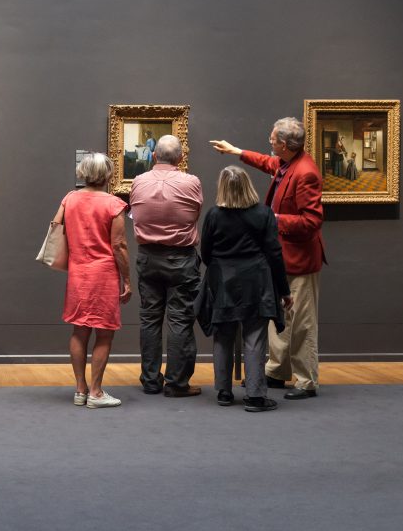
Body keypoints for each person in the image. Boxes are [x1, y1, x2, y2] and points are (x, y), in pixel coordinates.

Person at [211, 117, 325, 400]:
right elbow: (267, 162)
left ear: (284, 144)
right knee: (279, 318)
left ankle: (306, 381)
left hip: (299, 259)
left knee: (301, 323)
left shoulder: (305, 172)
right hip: (280, 257)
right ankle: (276, 371)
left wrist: (271, 220)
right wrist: (236, 151)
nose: (269, 143)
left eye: (272, 140)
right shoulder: (287, 163)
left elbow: (311, 221)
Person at [199, 166, 292, 412]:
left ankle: (224, 391)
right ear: (248, 185)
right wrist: (284, 290)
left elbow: (205, 253)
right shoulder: (264, 214)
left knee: (223, 336)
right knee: (255, 338)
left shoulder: (213, 215)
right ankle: (255, 396)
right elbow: (274, 253)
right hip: (256, 282)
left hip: (223, 281)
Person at [128, 135, 203, 397]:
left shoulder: (138, 181)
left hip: (148, 257)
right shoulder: (191, 182)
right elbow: (194, 215)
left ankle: (150, 380)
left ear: (153, 156)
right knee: (180, 320)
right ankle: (176, 383)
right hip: (181, 258)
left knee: (149, 319)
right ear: (180, 158)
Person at [57, 153, 131, 408]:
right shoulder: (114, 205)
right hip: (103, 275)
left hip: (78, 273)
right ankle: (96, 393)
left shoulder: (69, 199)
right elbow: (119, 246)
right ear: (108, 175)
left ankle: (80, 389)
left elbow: (57, 227)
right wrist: (128, 280)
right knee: (104, 334)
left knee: (79, 330)